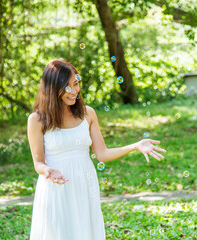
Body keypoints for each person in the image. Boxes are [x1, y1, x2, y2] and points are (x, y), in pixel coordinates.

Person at [27, 59, 166, 240]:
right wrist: (47, 170)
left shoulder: (87, 113)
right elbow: (38, 162)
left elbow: (102, 154)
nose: (75, 91)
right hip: (55, 186)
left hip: (84, 183)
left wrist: (135, 146)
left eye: (76, 84)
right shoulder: (37, 120)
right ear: (53, 89)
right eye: (67, 87)